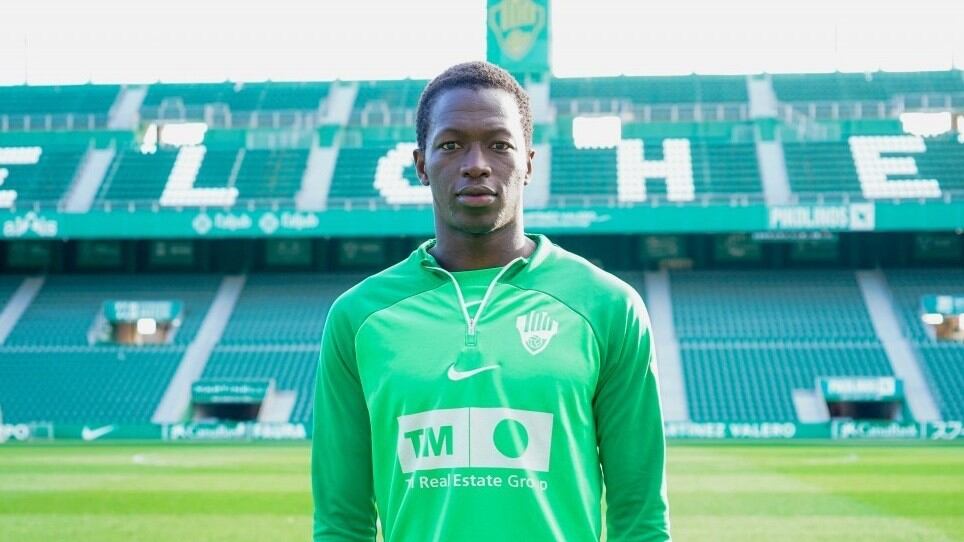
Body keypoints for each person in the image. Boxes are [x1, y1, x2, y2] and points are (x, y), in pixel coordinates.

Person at [312, 61, 670, 541]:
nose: (476, 163)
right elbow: (341, 522)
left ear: (529, 163)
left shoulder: (608, 306)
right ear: (421, 165)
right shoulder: (359, 317)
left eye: (499, 145)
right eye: (451, 144)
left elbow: (640, 518)